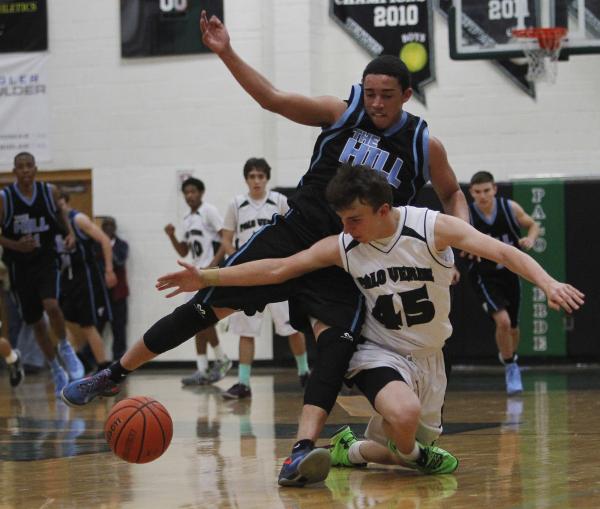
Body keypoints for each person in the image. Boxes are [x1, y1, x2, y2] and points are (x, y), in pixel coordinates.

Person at [61, 11, 469, 486]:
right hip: (294, 232)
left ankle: (301, 450)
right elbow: (272, 99)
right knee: (205, 308)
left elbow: (452, 193)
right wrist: (226, 51)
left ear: (407, 96)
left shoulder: (423, 144)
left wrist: (457, 240)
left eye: (387, 95)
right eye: (370, 92)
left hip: (346, 253)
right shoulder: (342, 113)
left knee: (334, 346)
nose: (377, 103)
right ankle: (113, 372)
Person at [155, 164, 584, 480]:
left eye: (354, 219)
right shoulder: (345, 243)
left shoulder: (430, 227)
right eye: (342, 220)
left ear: (383, 209)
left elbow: (504, 252)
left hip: (431, 356)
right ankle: (414, 456)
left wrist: (547, 282)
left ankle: (353, 450)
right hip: (379, 349)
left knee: (398, 448)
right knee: (405, 418)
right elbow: (278, 268)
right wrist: (207, 276)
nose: (347, 228)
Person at [221, 157, 309, 399]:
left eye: (261, 176)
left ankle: (305, 373)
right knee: (245, 330)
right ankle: (243, 383)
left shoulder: (279, 201)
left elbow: (292, 232)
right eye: (252, 176)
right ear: (246, 179)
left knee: (292, 327)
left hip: (277, 272)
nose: (256, 180)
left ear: (267, 178)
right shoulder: (236, 204)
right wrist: (236, 260)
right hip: (248, 276)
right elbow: (226, 239)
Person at [0, 152, 84, 396]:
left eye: (29, 166)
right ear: (14, 171)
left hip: (46, 259)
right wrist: (16, 245)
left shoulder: (50, 192)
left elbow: (62, 216)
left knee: (52, 305)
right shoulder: (5, 198)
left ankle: (65, 346)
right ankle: (56, 368)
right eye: (20, 167)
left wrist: (69, 234)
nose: (25, 170)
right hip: (19, 267)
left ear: (35, 169)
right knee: (36, 323)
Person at [466, 171, 540, 395]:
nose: (483, 196)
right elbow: (449, 240)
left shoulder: (510, 208)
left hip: (510, 273)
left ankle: (509, 356)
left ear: (494, 189)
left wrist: (530, 239)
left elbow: (533, 224)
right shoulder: (467, 215)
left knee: (514, 328)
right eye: (478, 192)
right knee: (504, 322)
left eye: (486, 190)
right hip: (484, 275)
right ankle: (511, 367)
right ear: (471, 193)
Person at [164, 177, 231, 385]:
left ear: (201, 193)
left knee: (202, 317)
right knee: (195, 321)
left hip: (209, 274)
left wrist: (212, 266)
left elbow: (226, 240)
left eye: (193, 191)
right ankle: (202, 369)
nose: (190, 195)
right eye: (187, 192)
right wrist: (172, 236)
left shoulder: (209, 211)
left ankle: (221, 359)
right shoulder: (186, 218)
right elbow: (184, 251)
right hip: (195, 275)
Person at [56, 191, 117, 372]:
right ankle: (80, 359)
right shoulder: (52, 223)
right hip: (65, 276)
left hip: (85, 277)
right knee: (57, 319)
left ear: (64, 201)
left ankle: (103, 367)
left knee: (87, 324)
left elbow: (105, 240)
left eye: (57, 201)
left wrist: (109, 269)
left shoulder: (78, 219)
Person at [96, 216, 129, 361]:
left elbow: (120, 262)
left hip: (118, 293)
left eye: (111, 225)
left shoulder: (122, 245)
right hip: (100, 293)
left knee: (119, 328)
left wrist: (108, 248)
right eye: (106, 225)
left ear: (115, 228)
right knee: (97, 327)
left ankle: (119, 360)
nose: (109, 228)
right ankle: (94, 359)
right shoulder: (95, 245)